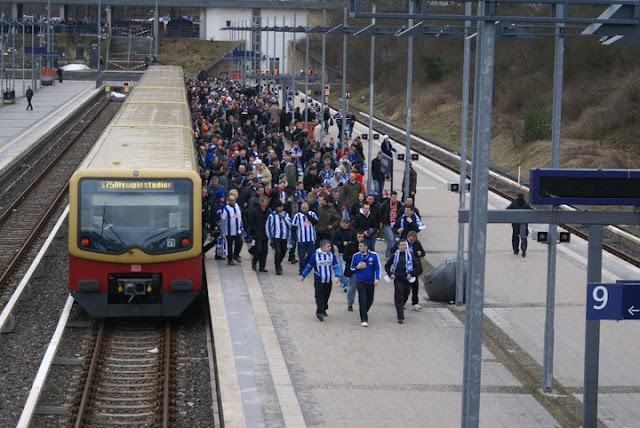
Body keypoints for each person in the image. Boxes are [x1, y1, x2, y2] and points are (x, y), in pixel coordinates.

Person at [300, 239, 341, 321]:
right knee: (319, 296)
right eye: (328, 246)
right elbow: (309, 266)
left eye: (330, 246)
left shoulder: (332, 255)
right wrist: (303, 275)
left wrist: (337, 275)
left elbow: (336, 266)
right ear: (322, 247)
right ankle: (319, 312)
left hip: (328, 279)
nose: (329, 248)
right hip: (319, 279)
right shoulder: (315, 255)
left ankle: (324, 308)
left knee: (326, 295)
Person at [350, 240, 381, 327]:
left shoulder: (374, 255)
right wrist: (357, 267)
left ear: (366, 247)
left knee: (370, 300)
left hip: (370, 280)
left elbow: (378, 267)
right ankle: (363, 318)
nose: (360, 248)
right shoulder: (356, 256)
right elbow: (351, 268)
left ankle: (364, 311)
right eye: (359, 246)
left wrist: (377, 278)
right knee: (362, 299)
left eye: (362, 246)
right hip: (360, 280)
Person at [384, 240, 415, 324]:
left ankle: (401, 305)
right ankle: (400, 316)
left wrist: (411, 274)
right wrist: (390, 274)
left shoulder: (410, 256)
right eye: (401, 245)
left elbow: (417, 267)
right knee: (399, 294)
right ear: (398, 246)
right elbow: (387, 266)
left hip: (407, 278)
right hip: (397, 278)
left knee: (406, 293)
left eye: (405, 245)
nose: (403, 246)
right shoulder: (394, 256)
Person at [266, 200, 292, 275]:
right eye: (279, 207)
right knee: (278, 251)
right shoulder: (272, 216)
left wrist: (284, 217)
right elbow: (268, 226)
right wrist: (270, 237)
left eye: (282, 207)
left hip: (284, 236)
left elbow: (290, 224)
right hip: (276, 236)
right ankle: (277, 267)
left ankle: (279, 263)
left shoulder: (286, 214)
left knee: (283, 252)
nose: (281, 208)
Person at [291, 202, 318, 274]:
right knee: (301, 256)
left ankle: (305, 265)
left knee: (311, 254)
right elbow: (293, 227)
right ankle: (302, 269)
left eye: (306, 208)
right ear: (301, 208)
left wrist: (308, 216)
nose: (304, 210)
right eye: (303, 208)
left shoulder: (312, 214)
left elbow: (316, 222)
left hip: (310, 239)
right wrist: (294, 238)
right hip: (301, 239)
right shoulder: (297, 215)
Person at [331, 218, 356, 292]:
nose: (345, 225)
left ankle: (346, 282)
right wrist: (341, 243)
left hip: (351, 252)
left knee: (348, 268)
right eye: (344, 223)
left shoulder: (352, 231)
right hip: (341, 252)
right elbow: (334, 241)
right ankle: (346, 284)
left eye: (347, 224)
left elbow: (355, 239)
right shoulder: (337, 231)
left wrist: (350, 243)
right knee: (343, 267)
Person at [220, 194, 244, 265]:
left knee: (240, 242)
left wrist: (241, 226)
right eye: (231, 200)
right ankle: (230, 259)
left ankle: (236, 255)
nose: (232, 201)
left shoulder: (237, 206)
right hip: (229, 232)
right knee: (229, 246)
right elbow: (222, 221)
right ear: (228, 200)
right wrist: (222, 231)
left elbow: (240, 217)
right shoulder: (226, 209)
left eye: (233, 200)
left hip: (237, 230)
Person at [249, 196, 271, 272]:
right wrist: (254, 231)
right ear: (261, 203)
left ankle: (262, 266)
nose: (267, 204)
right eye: (265, 202)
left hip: (265, 233)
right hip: (257, 233)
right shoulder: (255, 211)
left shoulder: (268, 211)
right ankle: (254, 262)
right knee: (259, 248)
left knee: (265, 250)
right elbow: (251, 222)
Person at [506, 193, 532, 257]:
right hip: (524, 223)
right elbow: (531, 212)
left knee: (515, 237)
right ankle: (523, 249)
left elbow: (507, 209)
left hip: (515, 223)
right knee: (523, 237)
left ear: (517, 197)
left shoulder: (514, 203)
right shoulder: (526, 204)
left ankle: (515, 251)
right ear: (523, 197)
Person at [380, 191, 403, 258]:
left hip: (395, 224)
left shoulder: (399, 205)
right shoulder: (385, 204)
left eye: (395, 197)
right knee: (390, 238)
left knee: (395, 240)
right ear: (390, 197)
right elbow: (381, 213)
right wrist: (381, 222)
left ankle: (393, 254)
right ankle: (388, 254)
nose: (394, 199)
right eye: (393, 197)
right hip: (388, 224)